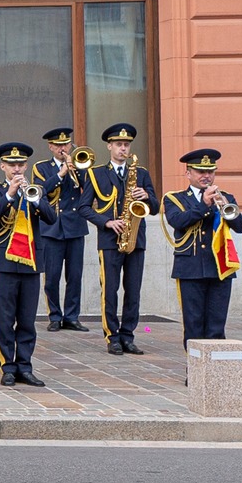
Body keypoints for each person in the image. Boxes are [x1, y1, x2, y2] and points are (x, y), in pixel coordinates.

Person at [0, 142, 56, 387]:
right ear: (2, 166)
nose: (16, 169)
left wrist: (35, 200)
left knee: (27, 320)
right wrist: (10, 194)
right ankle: (7, 367)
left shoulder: (36, 190)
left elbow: (51, 218)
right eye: (11, 164)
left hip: (31, 262)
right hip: (4, 263)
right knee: (5, 319)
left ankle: (25, 366)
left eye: (21, 165)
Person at [85, 122, 158, 355]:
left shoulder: (141, 173)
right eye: (118, 144)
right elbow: (83, 208)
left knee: (133, 291)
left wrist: (146, 196)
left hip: (135, 239)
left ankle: (128, 335)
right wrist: (106, 222)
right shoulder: (96, 173)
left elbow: (155, 208)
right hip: (109, 240)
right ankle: (112, 336)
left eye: (126, 144)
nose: (123, 148)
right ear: (109, 146)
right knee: (110, 290)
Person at [163, 149, 242, 342]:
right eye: (200, 171)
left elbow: (241, 227)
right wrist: (203, 205)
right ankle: (194, 362)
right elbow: (178, 221)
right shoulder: (175, 198)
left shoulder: (226, 197)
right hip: (190, 268)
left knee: (216, 326)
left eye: (210, 171)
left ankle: (215, 361)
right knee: (193, 325)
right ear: (188, 173)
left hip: (220, 267)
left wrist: (226, 207)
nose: (206, 176)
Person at [33, 127, 91, 331]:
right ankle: (55, 316)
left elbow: (89, 187)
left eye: (65, 144)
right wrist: (61, 173)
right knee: (52, 276)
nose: (62, 148)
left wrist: (78, 168)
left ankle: (72, 317)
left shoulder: (79, 165)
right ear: (50, 147)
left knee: (74, 276)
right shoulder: (41, 167)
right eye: (58, 145)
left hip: (75, 226)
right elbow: (40, 191)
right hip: (52, 227)